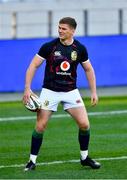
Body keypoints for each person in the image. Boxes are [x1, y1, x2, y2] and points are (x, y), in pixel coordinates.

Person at [23, 17, 101, 171]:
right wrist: (27, 88)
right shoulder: (49, 46)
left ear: (72, 30)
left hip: (71, 91)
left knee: (85, 125)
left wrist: (94, 92)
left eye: (64, 28)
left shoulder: (80, 48)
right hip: (50, 91)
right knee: (40, 126)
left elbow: (89, 69)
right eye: (59, 27)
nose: (60, 30)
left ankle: (84, 158)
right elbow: (33, 65)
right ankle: (32, 161)